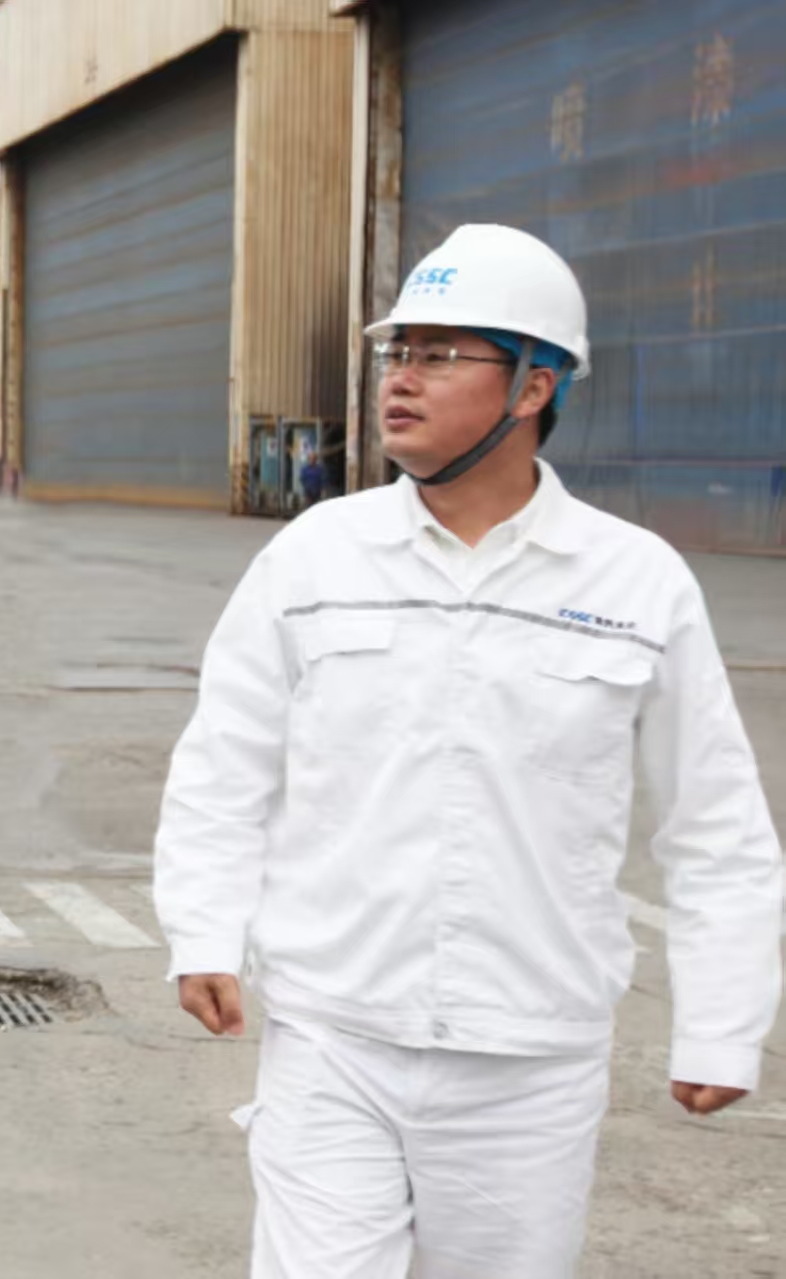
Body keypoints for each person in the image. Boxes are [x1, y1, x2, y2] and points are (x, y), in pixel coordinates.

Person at [153, 224, 783, 1278]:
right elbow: (225, 762)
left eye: (441, 354)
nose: (400, 378)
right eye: (397, 352)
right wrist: (203, 929)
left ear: (534, 386)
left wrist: (721, 1024)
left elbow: (713, 822)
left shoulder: (633, 582)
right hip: (333, 1031)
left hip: (530, 1058)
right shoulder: (316, 557)